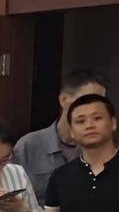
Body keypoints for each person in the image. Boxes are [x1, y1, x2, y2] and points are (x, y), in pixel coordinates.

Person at [12, 68, 105, 205]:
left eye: (100, 103)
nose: (94, 108)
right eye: (87, 101)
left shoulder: (101, 148)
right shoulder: (29, 145)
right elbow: (11, 193)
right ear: (64, 99)